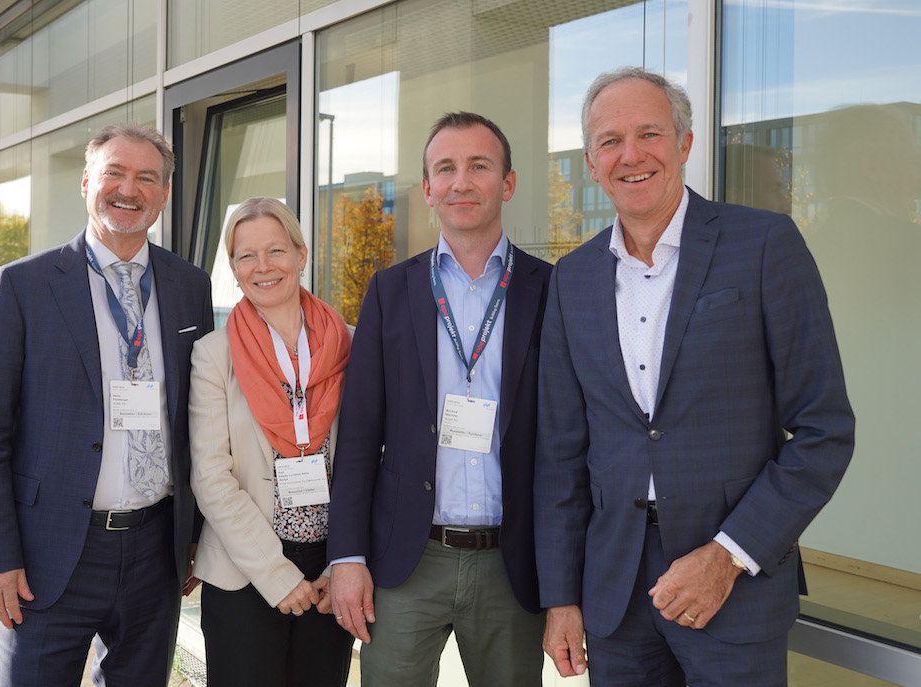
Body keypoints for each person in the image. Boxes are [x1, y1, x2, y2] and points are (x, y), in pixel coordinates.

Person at [534, 67, 854, 686]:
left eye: (649, 133)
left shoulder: (763, 245)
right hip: (614, 593)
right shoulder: (570, 280)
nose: (631, 155)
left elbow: (824, 430)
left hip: (733, 586)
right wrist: (562, 596)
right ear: (591, 162)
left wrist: (729, 556)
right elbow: (560, 457)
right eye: (609, 141)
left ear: (683, 143)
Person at [0, 122, 213, 685]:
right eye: (115, 173)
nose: (130, 189)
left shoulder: (189, 286)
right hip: (49, 553)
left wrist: (193, 534)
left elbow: (195, 420)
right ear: (85, 184)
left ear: (165, 194)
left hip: (156, 552)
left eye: (147, 177)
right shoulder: (22, 286)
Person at [327, 112, 551, 686]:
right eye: (445, 168)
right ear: (427, 188)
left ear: (508, 182)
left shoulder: (551, 290)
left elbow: (568, 441)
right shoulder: (390, 290)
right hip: (407, 561)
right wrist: (347, 556)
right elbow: (358, 436)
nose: (461, 182)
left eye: (479, 166)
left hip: (514, 562)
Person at [188, 196, 354, 686]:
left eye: (276, 251)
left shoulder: (351, 343)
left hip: (331, 573)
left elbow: (370, 462)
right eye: (246, 256)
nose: (263, 267)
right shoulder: (213, 356)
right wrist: (275, 575)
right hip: (246, 571)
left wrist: (346, 561)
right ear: (234, 268)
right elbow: (212, 477)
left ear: (301, 254)